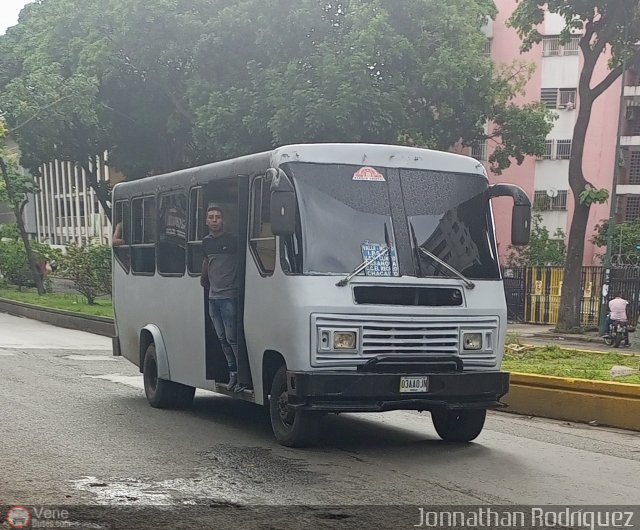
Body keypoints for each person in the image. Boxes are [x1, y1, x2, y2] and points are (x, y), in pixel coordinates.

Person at [200, 206, 244, 391]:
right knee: (222, 338)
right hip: (213, 297)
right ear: (206, 221)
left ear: (223, 220)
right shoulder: (206, 242)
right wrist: (204, 279)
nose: (215, 220)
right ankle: (232, 373)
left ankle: (241, 375)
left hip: (229, 296)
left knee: (232, 338)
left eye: (218, 217)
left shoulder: (233, 241)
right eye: (211, 217)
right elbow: (207, 262)